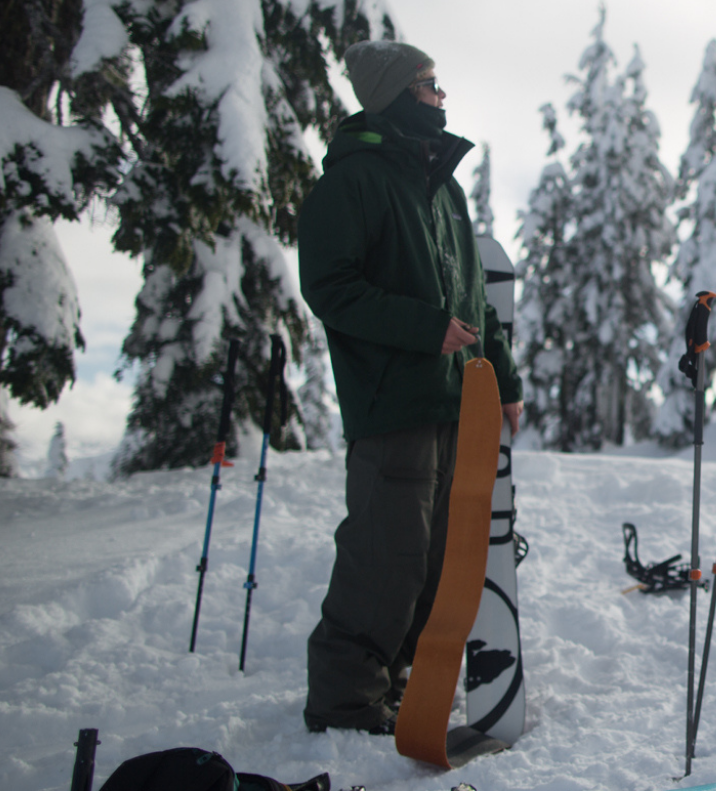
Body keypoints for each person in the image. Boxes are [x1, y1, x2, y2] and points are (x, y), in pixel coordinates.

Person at [295, 40, 523, 735]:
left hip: (455, 401)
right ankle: (342, 698)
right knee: (383, 556)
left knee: (435, 559)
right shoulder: (351, 182)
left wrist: (505, 381)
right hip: (390, 401)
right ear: (394, 95)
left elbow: (474, 302)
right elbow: (329, 288)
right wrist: (424, 328)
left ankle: (393, 684)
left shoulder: (441, 185)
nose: (440, 96)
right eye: (428, 85)